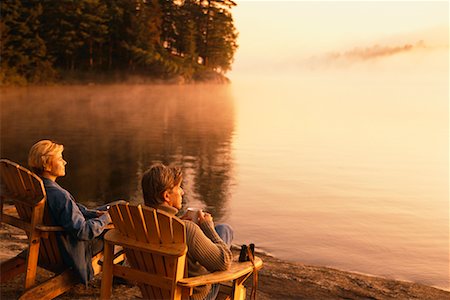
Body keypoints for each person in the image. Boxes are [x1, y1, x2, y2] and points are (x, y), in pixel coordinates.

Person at [28, 140, 124, 285]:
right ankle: (121, 275)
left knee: (120, 205)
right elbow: (83, 232)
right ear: (46, 165)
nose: (65, 162)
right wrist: (106, 219)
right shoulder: (59, 195)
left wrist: (93, 214)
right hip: (71, 249)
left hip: (50, 247)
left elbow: (70, 211)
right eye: (60, 158)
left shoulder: (38, 187)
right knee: (123, 218)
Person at [141, 163, 233, 300]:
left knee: (220, 230)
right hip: (190, 295)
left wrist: (177, 220)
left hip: (154, 292)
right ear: (166, 196)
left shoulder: (138, 224)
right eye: (178, 188)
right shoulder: (187, 230)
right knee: (224, 230)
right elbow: (224, 262)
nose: (182, 192)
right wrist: (208, 227)